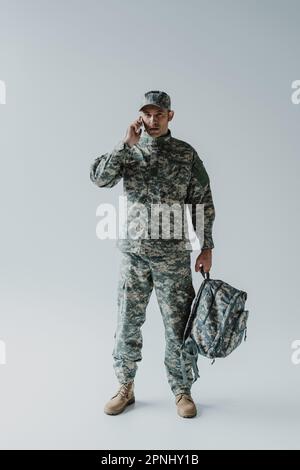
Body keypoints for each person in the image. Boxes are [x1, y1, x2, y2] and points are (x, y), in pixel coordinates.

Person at [90, 90, 215, 418]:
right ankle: (125, 386)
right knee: (128, 322)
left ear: (170, 116)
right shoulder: (130, 152)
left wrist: (207, 247)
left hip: (172, 257)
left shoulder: (185, 155)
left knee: (178, 327)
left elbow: (202, 202)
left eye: (159, 114)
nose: (153, 119)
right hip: (135, 255)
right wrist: (124, 144)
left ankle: (182, 389)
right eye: (147, 114)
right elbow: (99, 178)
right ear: (140, 116)